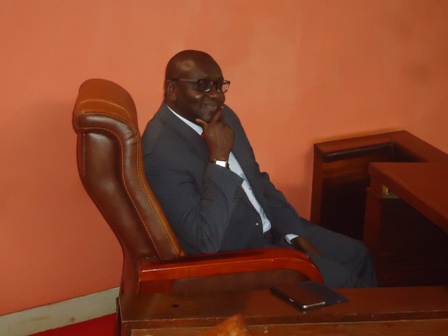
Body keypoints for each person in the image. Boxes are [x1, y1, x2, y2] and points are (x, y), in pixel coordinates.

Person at [142, 50, 377, 288]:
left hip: (276, 226)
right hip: (241, 253)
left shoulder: (223, 117)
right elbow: (206, 240)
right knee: (346, 283)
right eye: (202, 86)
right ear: (172, 90)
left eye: (218, 85)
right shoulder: (160, 153)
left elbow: (258, 180)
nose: (215, 96)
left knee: (358, 254)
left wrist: (293, 234)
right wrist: (220, 160)